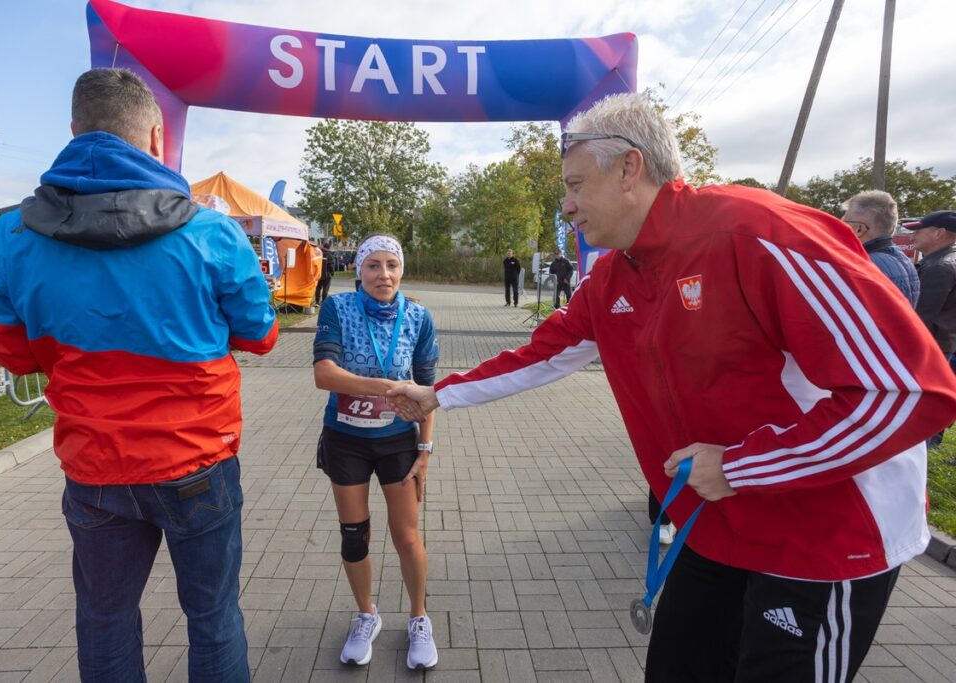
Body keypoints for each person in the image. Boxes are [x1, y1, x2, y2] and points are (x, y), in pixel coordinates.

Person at [388, 93, 956, 682]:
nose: (567, 207)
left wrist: (739, 467)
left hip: (824, 538)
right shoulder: (613, 273)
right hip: (715, 524)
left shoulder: (758, 232)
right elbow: (546, 350)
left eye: (576, 185)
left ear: (630, 169)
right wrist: (440, 394)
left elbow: (907, 393)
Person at [0, 68, 278, 682]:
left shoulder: (6, 238)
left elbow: (12, 356)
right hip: (198, 462)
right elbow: (262, 337)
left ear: (73, 132)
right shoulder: (213, 232)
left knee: (105, 622)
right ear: (157, 137)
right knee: (213, 619)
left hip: (94, 467)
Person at [312, 233, 440, 670]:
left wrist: (425, 449)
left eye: (391, 265)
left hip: (398, 441)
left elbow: (426, 391)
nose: (383, 274)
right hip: (345, 437)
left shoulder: (418, 317)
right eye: (373, 265)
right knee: (354, 535)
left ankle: (419, 618)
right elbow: (325, 374)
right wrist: (388, 388)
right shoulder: (338, 308)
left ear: (401, 270)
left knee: (407, 537)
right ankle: (367, 614)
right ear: (359, 270)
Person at [905, 210, 956, 446]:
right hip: (942, 340)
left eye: (919, 230)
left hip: (931, 343)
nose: (913, 235)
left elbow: (920, 315)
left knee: (925, 397)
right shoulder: (942, 261)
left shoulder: (939, 267)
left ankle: (924, 440)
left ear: (939, 233)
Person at [841, 190, 919, 305]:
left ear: (859, 229)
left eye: (844, 222)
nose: (841, 226)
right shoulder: (900, 257)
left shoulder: (867, 265)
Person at [314, 240, 335, 305]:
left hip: (319, 274)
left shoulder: (318, 254)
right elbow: (331, 266)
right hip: (327, 275)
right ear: (329, 248)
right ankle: (324, 302)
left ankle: (317, 302)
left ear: (323, 247)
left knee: (318, 288)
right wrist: (332, 273)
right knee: (325, 289)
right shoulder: (330, 255)